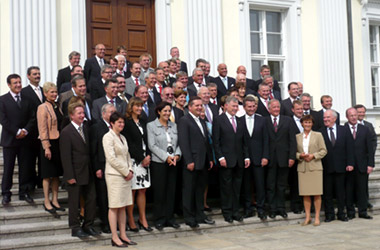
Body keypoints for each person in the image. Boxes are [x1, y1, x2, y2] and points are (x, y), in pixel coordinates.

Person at [60, 102, 99, 238]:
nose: (83, 116)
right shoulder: (66, 132)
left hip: (88, 171)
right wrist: (69, 175)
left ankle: (88, 225)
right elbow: (65, 156)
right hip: (75, 173)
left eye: (83, 113)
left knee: (91, 199)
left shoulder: (86, 129)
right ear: (72, 115)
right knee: (74, 201)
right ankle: (75, 227)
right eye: (79, 113)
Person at [178, 96, 214, 228]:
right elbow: (184, 142)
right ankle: (189, 217)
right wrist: (189, 160)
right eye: (197, 105)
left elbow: (206, 141)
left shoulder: (202, 120)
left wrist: (210, 158)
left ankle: (200, 215)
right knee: (189, 190)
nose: (200, 107)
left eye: (201, 105)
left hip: (203, 161)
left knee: (200, 190)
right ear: (190, 107)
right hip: (192, 162)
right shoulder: (184, 121)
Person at [213, 96, 250, 223]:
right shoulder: (218, 120)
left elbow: (245, 141)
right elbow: (216, 141)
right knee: (226, 188)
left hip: (239, 160)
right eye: (233, 106)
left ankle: (235, 212)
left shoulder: (240, 121)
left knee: (237, 188)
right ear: (226, 106)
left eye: (237, 106)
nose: (235, 109)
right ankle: (227, 212)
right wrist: (220, 157)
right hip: (226, 161)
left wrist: (246, 156)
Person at [103, 112, 137, 247]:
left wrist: (130, 170)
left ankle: (123, 234)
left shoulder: (122, 137)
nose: (122, 125)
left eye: (123, 122)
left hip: (125, 176)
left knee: (123, 205)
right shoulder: (107, 137)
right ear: (112, 123)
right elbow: (111, 158)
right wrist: (125, 171)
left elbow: (127, 155)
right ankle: (114, 236)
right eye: (119, 122)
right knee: (114, 206)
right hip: (114, 176)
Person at [1, 74, 36, 205]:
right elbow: (3, 120)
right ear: (9, 85)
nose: (18, 85)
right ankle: (6, 193)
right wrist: (16, 131)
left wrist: (25, 130)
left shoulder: (27, 99)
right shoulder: (2, 100)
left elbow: (33, 117)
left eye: (19, 82)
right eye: (15, 83)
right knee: (8, 168)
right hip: (10, 140)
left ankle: (24, 192)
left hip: (25, 140)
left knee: (25, 167)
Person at [147, 102, 182, 230]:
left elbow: (179, 143)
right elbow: (152, 145)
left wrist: (177, 156)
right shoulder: (151, 126)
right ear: (159, 112)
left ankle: (170, 218)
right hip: (159, 163)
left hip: (173, 162)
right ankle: (159, 219)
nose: (167, 113)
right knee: (160, 192)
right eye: (165, 111)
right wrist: (165, 157)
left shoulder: (174, 126)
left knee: (171, 191)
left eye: (169, 111)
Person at [122, 98, 153, 232]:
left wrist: (148, 156)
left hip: (145, 160)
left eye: (141, 106)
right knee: (132, 191)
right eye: (137, 106)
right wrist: (141, 158)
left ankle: (142, 218)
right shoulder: (127, 123)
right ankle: (131, 219)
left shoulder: (143, 121)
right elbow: (129, 143)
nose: (139, 108)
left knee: (143, 190)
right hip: (134, 160)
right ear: (131, 107)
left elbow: (148, 140)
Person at [320, 109, 354, 222]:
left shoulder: (344, 130)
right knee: (327, 193)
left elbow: (350, 147)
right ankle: (329, 214)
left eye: (328, 117)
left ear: (334, 118)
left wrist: (350, 163)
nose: (325, 119)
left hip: (341, 166)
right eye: (324, 118)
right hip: (326, 167)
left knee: (341, 192)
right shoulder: (320, 132)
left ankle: (341, 213)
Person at [266, 99, 296, 219]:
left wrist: (292, 157)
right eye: (274, 107)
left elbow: (292, 140)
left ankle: (281, 208)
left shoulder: (287, 120)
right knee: (271, 185)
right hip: (270, 159)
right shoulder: (265, 121)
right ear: (269, 109)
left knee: (282, 185)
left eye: (278, 107)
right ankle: (272, 209)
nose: (276, 109)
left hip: (284, 158)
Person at [37, 82, 64, 214]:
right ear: (45, 93)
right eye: (51, 92)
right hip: (48, 144)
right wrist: (46, 146)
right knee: (47, 175)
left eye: (55, 92)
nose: (54, 94)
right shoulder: (43, 107)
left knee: (56, 175)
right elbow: (42, 129)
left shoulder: (57, 106)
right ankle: (46, 201)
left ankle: (55, 200)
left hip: (58, 143)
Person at [241, 95, 269, 220]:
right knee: (246, 185)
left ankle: (261, 209)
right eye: (249, 107)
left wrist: (265, 156)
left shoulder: (262, 120)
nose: (252, 109)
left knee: (260, 185)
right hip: (245, 159)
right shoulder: (239, 120)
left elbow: (266, 140)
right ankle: (248, 209)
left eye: (253, 106)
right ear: (244, 107)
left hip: (259, 158)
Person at [296, 115, 327, 226]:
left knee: (317, 193)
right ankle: (308, 217)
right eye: (305, 122)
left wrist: (313, 156)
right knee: (306, 194)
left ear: (312, 124)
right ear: (302, 124)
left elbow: (324, 150)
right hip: (303, 167)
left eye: (309, 122)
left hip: (315, 167)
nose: (307, 124)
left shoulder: (318, 135)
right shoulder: (297, 137)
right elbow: (294, 152)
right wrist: (301, 155)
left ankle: (317, 217)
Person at [90, 103, 116, 233]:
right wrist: (97, 168)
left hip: (115, 167)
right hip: (102, 165)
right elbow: (94, 149)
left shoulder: (117, 126)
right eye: (111, 112)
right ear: (103, 114)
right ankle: (105, 223)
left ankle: (116, 222)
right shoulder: (96, 127)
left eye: (114, 112)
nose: (113, 114)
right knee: (103, 196)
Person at [344, 108, 374, 220]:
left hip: (362, 165)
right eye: (351, 115)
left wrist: (370, 164)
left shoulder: (365, 129)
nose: (353, 117)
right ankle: (350, 212)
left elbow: (369, 149)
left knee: (362, 189)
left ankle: (363, 211)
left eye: (355, 115)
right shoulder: (343, 129)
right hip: (348, 166)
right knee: (349, 190)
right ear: (347, 117)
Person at [354, 104, 377, 208]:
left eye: (363, 112)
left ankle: (365, 201)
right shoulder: (348, 125)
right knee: (354, 183)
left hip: (365, 159)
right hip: (353, 160)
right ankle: (355, 201)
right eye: (359, 112)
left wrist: (370, 156)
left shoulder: (368, 125)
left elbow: (373, 141)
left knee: (364, 183)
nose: (362, 114)